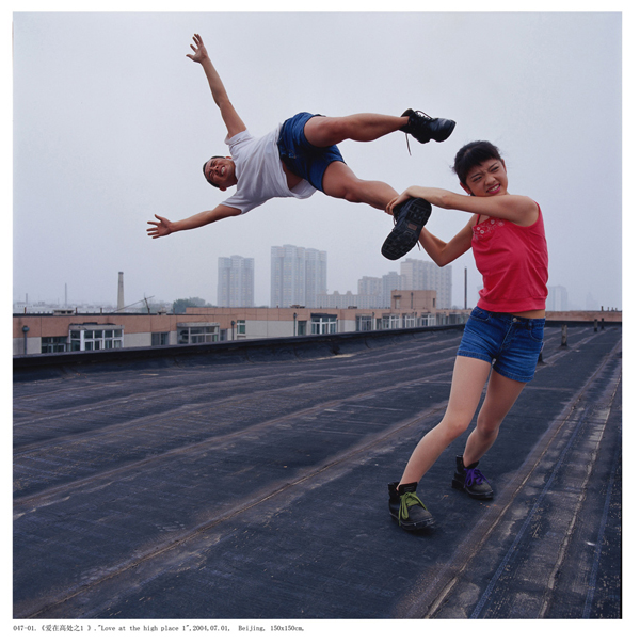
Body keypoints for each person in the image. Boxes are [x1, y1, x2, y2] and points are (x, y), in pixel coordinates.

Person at [146, 34, 455, 259]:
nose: (214, 169)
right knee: (351, 190)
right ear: (221, 186)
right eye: (212, 176)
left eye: (213, 164)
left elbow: (221, 100)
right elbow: (210, 216)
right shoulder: (243, 198)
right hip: (307, 169)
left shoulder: (238, 144)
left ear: (225, 156)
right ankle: (402, 210)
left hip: (291, 137)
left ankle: (412, 124)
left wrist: (205, 62)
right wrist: (175, 226)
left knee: (337, 127)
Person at [386, 141, 548, 531]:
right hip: (486, 324)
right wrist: (412, 223)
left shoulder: (524, 207)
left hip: (526, 333)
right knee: (457, 420)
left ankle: (468, 470)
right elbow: (443, 255)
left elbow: (447, 200)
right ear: (469, 186)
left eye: (494, 169)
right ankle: (403, 494)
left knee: (488, 426)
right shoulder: (479, 221)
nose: (490, 180)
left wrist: (412, 191)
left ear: (504, 167)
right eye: (478, 178)